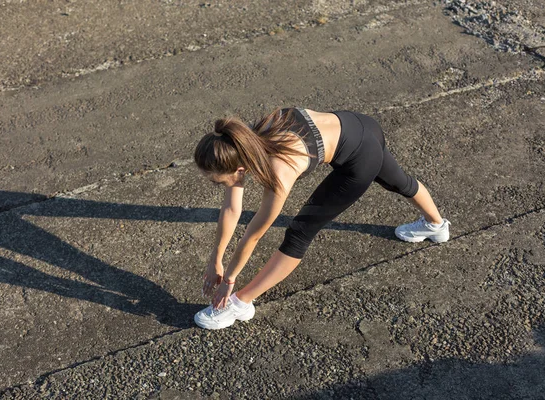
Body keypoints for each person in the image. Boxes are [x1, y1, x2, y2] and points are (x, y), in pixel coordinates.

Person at [193, 107, 451, 330]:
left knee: (299, 233)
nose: (217, 185)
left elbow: (254, 234)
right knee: (400, 182)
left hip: (358, 160)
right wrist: (215, 259)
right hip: (361, 125)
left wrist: (229, 281)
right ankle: (436, 225)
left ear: (238, 169)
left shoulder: (279, 171)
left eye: (217, 181)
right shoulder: (241, 141)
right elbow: (231, 209)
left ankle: (240, 303)